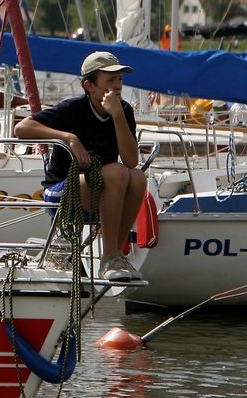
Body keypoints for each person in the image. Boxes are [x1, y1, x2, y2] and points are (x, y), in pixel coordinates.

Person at [13, 50, 147, 281]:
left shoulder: (123, 111)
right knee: (115, 172)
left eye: (120, 80)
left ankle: (114, 256)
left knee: (137, 177)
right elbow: (21, 128)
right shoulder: (73, 108)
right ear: (90, 85)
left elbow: (132, 161)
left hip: (101, 189)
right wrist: (69, 138)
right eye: (110, 80)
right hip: (61, 193)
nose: (117, 86)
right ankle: (109, 257)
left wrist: (117, 116)